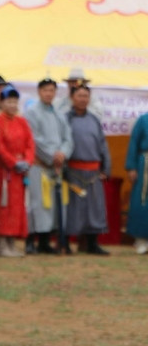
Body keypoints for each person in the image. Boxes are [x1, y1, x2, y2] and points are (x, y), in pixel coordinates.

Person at [24, 78, 74, 254]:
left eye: (52, 90)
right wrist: (53, 155)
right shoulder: (31, 113)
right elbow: (34, 139)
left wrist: (63, 153)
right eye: (45, 90)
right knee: (36, 204)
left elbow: (68, 138)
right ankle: (30, 241)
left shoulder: (59, 114)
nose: (49, 93)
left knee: (52, 206)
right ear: (39, 92)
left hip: (56, 167)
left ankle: (45, 242)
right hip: (40, 165)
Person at [66, 85, 110, 255]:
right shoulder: (65, 119)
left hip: (93, 172)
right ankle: (67, 243)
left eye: (86, 96)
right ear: (72, 97)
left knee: (95, 208)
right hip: (73, 171)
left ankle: (92, 244)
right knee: (73, 209)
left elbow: (102, 145)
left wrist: (106, 167)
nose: (83, 99)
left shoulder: (94, 120)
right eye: (79, 95)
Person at [0, 86, 34, 257]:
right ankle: (2, 244)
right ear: (2, 103)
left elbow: (30, 143)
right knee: (3, 206)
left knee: (17, 207)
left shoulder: (22, 121)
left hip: (20, 172)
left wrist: (27, 161)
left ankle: (12, 243)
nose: (12, 105)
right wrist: (13, 162)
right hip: (5, 172)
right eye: (9, 101)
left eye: (15, 101)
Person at [126, 112, 148, 254]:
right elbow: (133, 142)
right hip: (144, 164)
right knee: (141, 201)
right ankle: (141, 240)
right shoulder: (143, 120)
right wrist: (131, 166)